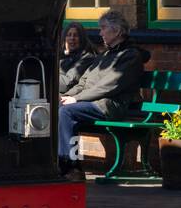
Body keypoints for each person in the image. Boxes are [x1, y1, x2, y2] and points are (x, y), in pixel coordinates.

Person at [57, 10, 143, 178]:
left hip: (110, 105)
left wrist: (75, 99)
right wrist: (64, 97)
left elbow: (108, 86)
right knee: (56, 108)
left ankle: (71, 166)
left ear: (117, 31)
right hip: (93, 103)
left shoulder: (130, 56)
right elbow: (83, 82)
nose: (100, 33)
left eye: (103, 28)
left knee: (66, 112)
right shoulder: (105, 55)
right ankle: (59, 162)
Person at [58, 21, 97, 96]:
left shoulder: (87, 58)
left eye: (76, 35)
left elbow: (67, 83)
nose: (72, 38)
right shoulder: (62, 55)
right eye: (69, 35)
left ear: (81, 39)